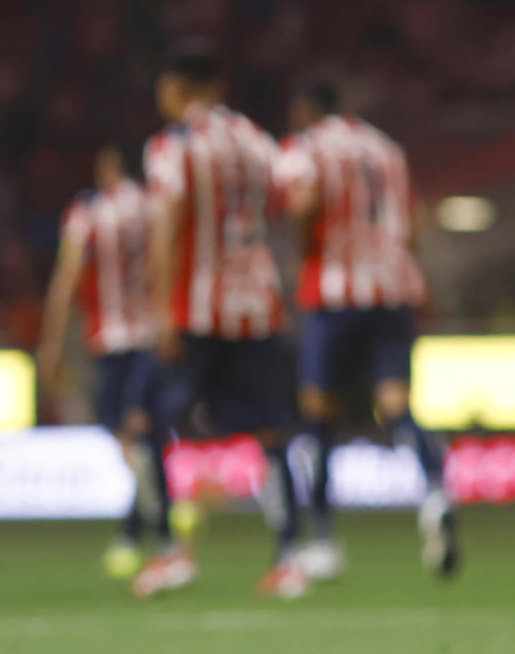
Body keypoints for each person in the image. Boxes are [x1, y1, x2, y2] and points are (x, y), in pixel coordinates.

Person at [139, 43, 308, 600]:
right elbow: (288, 205)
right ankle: (289, 557)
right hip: (257, 302)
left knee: (151, 425)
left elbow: (168, 225)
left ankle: (170, 552)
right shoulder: (259, 141)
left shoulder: (176, 145)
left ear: (179, 88)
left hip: (198, 306)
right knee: (272, 430)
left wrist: (161, 308)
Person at [273, 80, 457, 579]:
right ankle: (436, 493)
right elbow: (413, 222)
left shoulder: (307, 146)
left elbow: (305, 202)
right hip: (394, 290)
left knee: (318, 416)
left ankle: (325, 538)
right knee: (396, 404)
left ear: (306, 110)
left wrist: (302, 251)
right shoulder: (386, 148)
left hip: (335, 293)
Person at [36, 143, 187, 594]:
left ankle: (165, 543)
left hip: (115, 341)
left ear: (106, 165)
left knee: (133, 438)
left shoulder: (90, 210)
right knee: (147, 439)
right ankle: (139, 534)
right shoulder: (154, 205)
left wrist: (51, 344)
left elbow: (67, 279)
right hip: (156, 335)